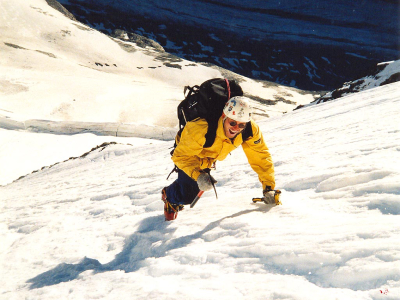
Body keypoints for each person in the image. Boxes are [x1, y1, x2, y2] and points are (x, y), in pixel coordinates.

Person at [162, 96, 275, 221]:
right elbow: (180, 156)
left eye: (241, 125)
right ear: (223, 116)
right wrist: (198, 175)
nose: (236, 128)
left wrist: (268, 188)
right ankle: (169, 196)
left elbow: (261, 156)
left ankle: (181, 190)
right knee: (187, 195)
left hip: (209, 156)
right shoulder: (201, 128)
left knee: (195, 188)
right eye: (232, 123)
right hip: (188, 153)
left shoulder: (249, 130)